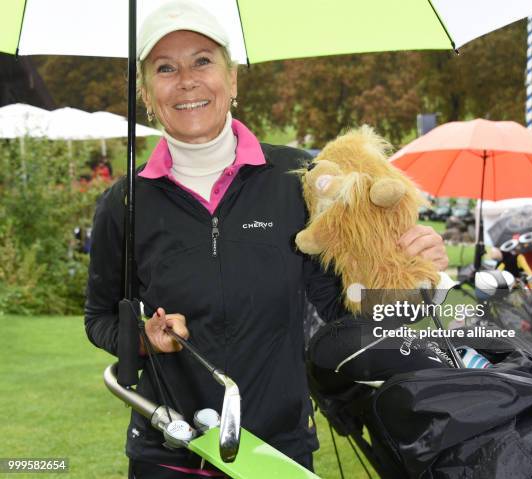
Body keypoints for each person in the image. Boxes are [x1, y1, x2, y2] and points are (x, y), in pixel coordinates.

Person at [84, 1, 448, 477]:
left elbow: (344, 310)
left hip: (277, 453)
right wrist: (145, 339)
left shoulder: (298, 179)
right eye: (165, 68)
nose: (187, 80)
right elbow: (99, 318)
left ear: (231, 80)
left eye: (203, 60)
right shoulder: (125, 203)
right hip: (167, 452)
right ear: (147, 93)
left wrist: (422, 282)